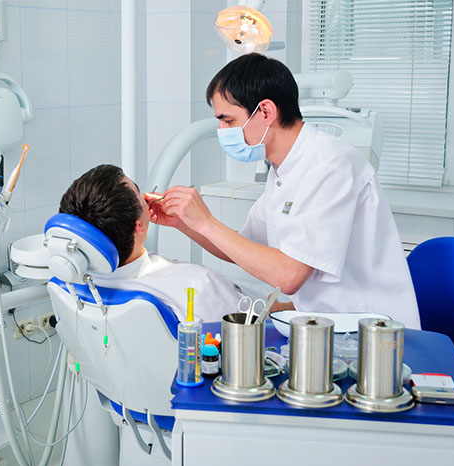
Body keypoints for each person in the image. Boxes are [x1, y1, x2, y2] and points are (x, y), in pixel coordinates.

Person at [148, 53, 421, 329]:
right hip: (327, 323)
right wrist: (184, 223)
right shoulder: (283, 168)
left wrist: (206, 222)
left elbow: (289, 277)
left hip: (373, 330)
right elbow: (240, 248)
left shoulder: (330, 165)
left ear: (266, 112)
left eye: (228, 120)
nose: (222, 130)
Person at [59, 164, 246, 323]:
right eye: (138, 193)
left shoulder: (66, 288)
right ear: (138, 225)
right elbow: (249, 333)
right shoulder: (198, 286)